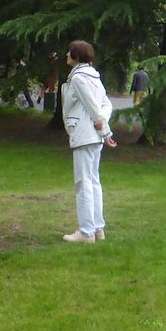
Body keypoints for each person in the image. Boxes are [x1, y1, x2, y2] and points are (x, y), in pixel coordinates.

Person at [61, 40, 113, 243]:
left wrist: (104, 130)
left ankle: (86, 231)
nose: (66, 55)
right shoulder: (93, 76)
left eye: (69, 52)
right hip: (93, 135)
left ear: (76, 56)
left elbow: (95, 107)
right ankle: (97, 229)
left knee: (84, 183)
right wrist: (102, 127)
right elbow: (105, 105)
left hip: (85, 135)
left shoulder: (79, 78)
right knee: (92, 181)